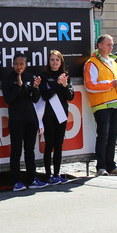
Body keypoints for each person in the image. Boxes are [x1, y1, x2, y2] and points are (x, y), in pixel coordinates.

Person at [84, 34, 117, 176]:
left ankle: (111, 165)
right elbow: (90, 85)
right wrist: (111, 84)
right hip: (102, 104)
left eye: (112, 44)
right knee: (103, 136)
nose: (111, 47)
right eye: (108, 44)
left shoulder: (113, 62)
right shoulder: (92, 63)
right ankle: (101, 166)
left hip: (116, 102)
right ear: (100, 45)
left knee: (113, 137)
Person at [3, 54, 43, 191]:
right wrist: (19, 87)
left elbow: (35, 99)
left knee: (30, 150)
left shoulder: (31, 77)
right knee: (16, 150)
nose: (19, 67)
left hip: (31, 119)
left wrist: (35, 87)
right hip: (16, 120)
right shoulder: (8, 79)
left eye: (21, 64)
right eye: (16, 64)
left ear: (25, 64)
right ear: (13, 65)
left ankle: (32, 179)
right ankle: (16, 181)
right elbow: (8, 99)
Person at [37, 50, 74, 185]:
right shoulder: (43, 76)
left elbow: (70, 96)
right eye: (52, 59)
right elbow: (45, 95)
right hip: (48, 115)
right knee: (49, 145)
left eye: (57, 60)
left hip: (61, 114)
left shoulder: (65, 76)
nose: (54, 62)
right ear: (49, 62)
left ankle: (57, 174)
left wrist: (64, 86)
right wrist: (57, 85)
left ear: (61, 62)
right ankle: (48, 175)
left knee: (59, 145)